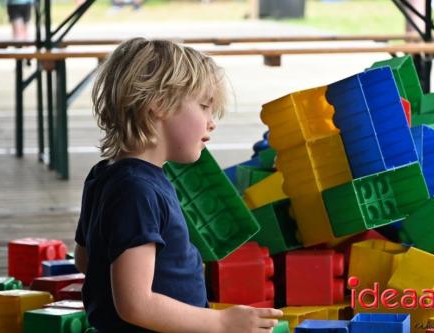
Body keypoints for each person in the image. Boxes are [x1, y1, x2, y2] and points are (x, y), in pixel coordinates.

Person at [74, 38, 283, 333]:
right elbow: (135, 305)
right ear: (158, 104)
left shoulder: (106, 175)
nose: (212, 122)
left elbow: (86, 260)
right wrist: (222, 323)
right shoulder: (137, 190)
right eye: (204, 107)